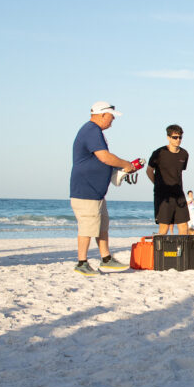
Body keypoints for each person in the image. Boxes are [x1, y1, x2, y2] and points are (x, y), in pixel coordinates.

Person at [70, 102, 140, 275]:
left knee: (101, 226)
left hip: (96, 193)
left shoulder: (94, 131)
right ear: (102, 114)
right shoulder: (91, 130)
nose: (113, 119)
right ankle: (82, 262)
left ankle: (106, 258)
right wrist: (126, 164)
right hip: (86, 191)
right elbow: (105, 157)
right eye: (111, 116)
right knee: (87, 227)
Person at [146, 124, 190, 236]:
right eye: (175, 137)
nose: (178, 140)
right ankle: (160, 253)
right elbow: (149, 171)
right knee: (164, 227)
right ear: (168, 137)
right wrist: (158, 185)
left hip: (179, 194)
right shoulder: (159, 153)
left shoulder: (184, 154)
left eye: (180, 137)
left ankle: (182, 252)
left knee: (184, 226)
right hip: (163, 195)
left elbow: (178, 172)